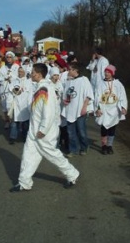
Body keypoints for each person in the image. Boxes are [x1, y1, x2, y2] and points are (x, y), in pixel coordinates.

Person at [10, 63, 80, 192]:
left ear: (39, 74)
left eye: (32, 72)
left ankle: (72, 174)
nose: (30, 74)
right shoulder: (39, 87)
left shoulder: (46, 89)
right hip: (33, 130)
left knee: (53, 155)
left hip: (44, 132)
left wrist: (43, 129)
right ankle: (24, 182)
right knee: (28, 155)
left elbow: (49, 112)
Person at [61, 62, 94, 157]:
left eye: (70, 69)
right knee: (70, 132)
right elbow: (66, 93)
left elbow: (88, 95)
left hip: (80, 110)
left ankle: (84, 147)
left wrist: (84, 107)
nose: (68, 71)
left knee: (81, 131)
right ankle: (73, 149)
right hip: (70, 110)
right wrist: (65, 101)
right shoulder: (68, 81)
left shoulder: (84, 80)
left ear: (76, 70)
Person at [94, 64, 128, 155]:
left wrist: (123, 107)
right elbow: (97, 97)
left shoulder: (118, 84)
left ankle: (109, 146)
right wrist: (98, 108)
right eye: (105, 71)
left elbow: (122, 96)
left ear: (112, 73)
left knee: (112, 128)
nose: (106, 73)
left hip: (114, 110)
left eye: (108, 72)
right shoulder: (101, 84)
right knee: (104, 127)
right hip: (104, 108)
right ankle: (104, 146)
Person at [8, 66, 33, 144]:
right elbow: (11, 93)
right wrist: (9, 105)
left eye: (22, 71)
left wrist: (30, 105)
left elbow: (31, 94)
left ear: (25, 72)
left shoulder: (29, 82)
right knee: (14, 123)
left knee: (25, 123)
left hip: (25, 106)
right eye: (19, 71)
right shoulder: (14, 81)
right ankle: (13, 137)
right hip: (16, 104)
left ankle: (25, 137)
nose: (20, 73)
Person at [0, 51, 19, 129]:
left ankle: (15, 121)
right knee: (5, 106)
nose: (9, 59)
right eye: (7, 57)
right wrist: (5, 78)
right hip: (4, 89)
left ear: (13, 58)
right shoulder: (3, 67)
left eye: (10, 57)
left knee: (14, 106)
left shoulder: (17, 67)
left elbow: (19, 77)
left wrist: (12, 78)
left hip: (13, 90)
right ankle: (7, 121)